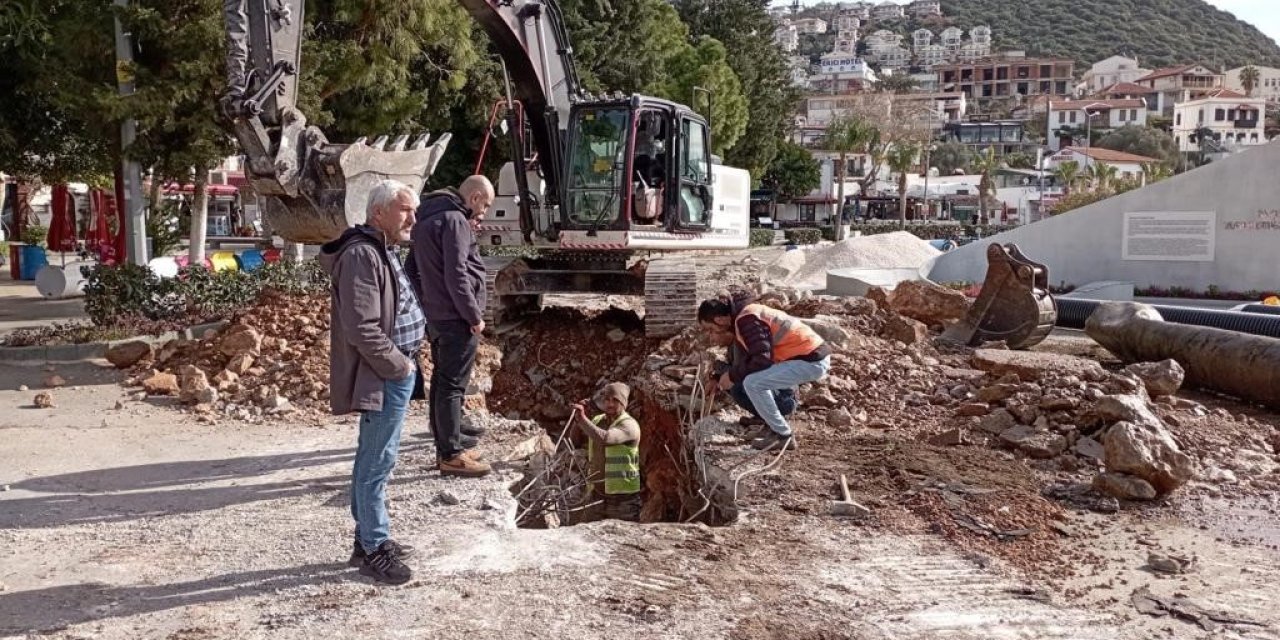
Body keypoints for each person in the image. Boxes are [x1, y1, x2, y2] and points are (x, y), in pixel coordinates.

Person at [318, 179, 424, 585]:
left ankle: (367, 540)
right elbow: (362, 328)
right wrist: (399, 366)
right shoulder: (363, 255)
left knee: (373, 457)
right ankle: (375, 547)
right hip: (385, 374)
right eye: (404, 210)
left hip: (394, 371)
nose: (412, 218)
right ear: (378, 213)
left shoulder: (382, 247)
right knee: (378, 462)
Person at [407, 175, 495, 478]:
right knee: (453, 386)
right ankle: (452, 455)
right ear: (474, 197)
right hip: (457, 318)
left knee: (443, 384)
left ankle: (449, 445)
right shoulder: (455, 220)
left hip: (437, 316)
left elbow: (411, 270)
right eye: (485, 204)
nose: (483, 213)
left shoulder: (426, 219)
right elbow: (457, 274)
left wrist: (427, 304)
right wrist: (473, 316)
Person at [697, 291, 831, 452]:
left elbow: (762, 358)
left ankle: (783, 435)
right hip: (808, 358)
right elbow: (748, 359)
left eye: (710, 329)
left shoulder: (746, 319)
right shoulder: (745, 316)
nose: (712, 335)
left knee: (752, 383)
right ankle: (775, 428)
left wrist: (731, 376)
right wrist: (721, 376)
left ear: (718, 319)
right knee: (749, 382)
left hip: (812, 360)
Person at [571, 383, 642, 522]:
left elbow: (606, 438)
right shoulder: (598, 420)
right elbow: (575, 441)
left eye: (615, 400)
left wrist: (583, 419)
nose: (610, 404)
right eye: (607, 399)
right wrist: (577, 419)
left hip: (623, 500)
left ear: (624, 403)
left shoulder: (629, 425)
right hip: (597, 495)